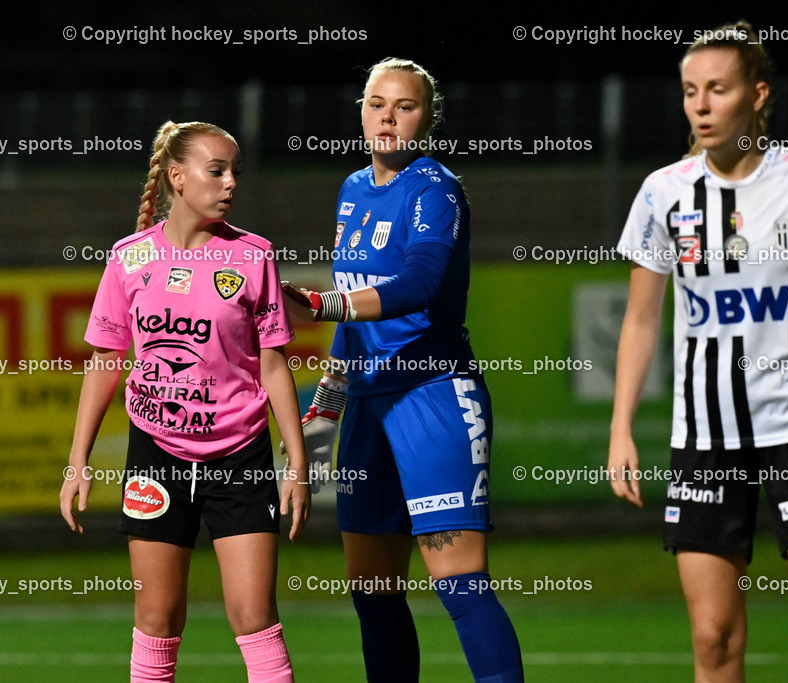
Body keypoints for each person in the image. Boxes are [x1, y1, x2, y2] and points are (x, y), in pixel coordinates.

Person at [282, 58, 524, 682]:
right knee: (373, 592)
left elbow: (418, 283)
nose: (387, 116)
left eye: (405, 106)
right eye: (375, 102)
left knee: (460, 584)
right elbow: (353, 326)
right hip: (367, 405)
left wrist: (319, 302)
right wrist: (322, 417)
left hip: (432, 395)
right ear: (360, 111)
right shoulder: (352, 189)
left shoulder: (435, 188)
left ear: (428, 119)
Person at [609, 21, 788, 683]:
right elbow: (642, 320)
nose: (701, 105)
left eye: (718, 90)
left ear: (758, 94)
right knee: (712, 639)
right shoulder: (663, 192)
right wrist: (621, 427)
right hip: (705, 434)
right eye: (689, 92)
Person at [60, 120, 310, 683]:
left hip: (241, 457)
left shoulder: (253, 257)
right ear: (176, 176)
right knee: (156, 618)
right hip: (156, 456)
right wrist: (78, 462)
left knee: (254, 617)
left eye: (234, 173)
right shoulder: (129, 259)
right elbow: (104, 362)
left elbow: (273, 366)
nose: (230, 185)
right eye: (216, 171)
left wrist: (296, 464)